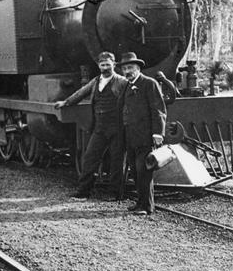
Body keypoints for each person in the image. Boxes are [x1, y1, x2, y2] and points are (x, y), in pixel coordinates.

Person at [54, 51, 128, 200]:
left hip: (117, 127)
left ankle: (115, 194)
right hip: (99, 127)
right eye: (102, 65)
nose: (105, 67)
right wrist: (66, 102)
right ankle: (83, 191)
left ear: (114, 65)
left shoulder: (122, 82)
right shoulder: (95, 81)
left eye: (108, 64)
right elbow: (80, 93)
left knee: (116, 161)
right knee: (90, 158)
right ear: (98, 65)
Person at [117, 52, 167, 215]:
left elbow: (158, 110)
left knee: (144, 171)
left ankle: (147, 206)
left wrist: (158, 133)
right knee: (135, 171)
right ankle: (140, 203)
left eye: (130, 67)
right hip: (130, 136)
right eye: (124, 68)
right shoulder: (126, 85)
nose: (127, 71)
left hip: (145, 136)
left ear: (138, 68)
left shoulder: (149, 83)